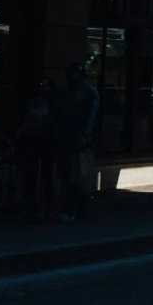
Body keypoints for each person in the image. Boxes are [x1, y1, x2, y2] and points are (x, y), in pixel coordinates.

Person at [52, 61, 100, 219]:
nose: (70, 77)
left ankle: (70, 206)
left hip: (78, 139)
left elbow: (91, 117)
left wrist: (85, 137)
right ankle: (81, 199)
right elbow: (58, 113)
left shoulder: (89, 92)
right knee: (64, 173)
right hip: (65, 136)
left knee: (72, 174)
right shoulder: (66, 93)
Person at [15, 80, 58, 219]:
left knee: (46, 174)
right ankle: (30, 203)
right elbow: (26, 120)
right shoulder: (33, 102)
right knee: (30, 173)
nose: (43, 87)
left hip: (47, 140)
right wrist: (20, 134)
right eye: (41, 85)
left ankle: (48, 205)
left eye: (46, 85)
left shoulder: (54, 104)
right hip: (32, 139)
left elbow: (54, 120)